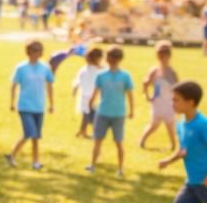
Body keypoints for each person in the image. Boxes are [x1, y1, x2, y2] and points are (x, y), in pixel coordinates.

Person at [6, 40, 55, 171]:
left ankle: (35, 162)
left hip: (39, 106)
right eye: (35, 49)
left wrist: (51, 104)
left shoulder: (45, 68)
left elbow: (50, 85)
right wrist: (12, 102)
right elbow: (14, 85)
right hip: (25, 106)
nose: (37, 52)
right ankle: (12, 155)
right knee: (30, 133)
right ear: (29, 52)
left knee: (36, 137)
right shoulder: (21, 68)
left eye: (39, 50)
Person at [87, 47, 134, 177]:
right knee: (97, 140)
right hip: (102, 113)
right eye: (110, 57)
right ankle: (92, 165)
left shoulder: (125, 76)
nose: (112, 60)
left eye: (115, 58)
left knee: (119, 142)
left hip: (118, 114)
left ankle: (120, 168)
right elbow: (95, 92)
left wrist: (131, 110)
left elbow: (130, 94)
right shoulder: (101, 75)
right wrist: (90, 103)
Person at [137, 42, 179, 151]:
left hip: (169, 103)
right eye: (160, 56)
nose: (162, 59)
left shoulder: (172, 72)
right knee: (154, 125)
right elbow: (146, 83)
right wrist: (147, 95)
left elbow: (177, 88)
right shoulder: (154, 70)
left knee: (170, 125)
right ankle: (142, 140)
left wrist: (177, 102)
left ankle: (173, 145)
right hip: (157, 102)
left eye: (164, 56)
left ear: (169, 56)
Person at [72, 47, 103, 139]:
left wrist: (74, 90)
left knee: (86, 115)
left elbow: (77, 82)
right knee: (94, 117)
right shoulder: (101, 70)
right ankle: (90, 132)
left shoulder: (84, 69)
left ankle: (82, 131)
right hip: (95, 96)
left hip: (84, 95)